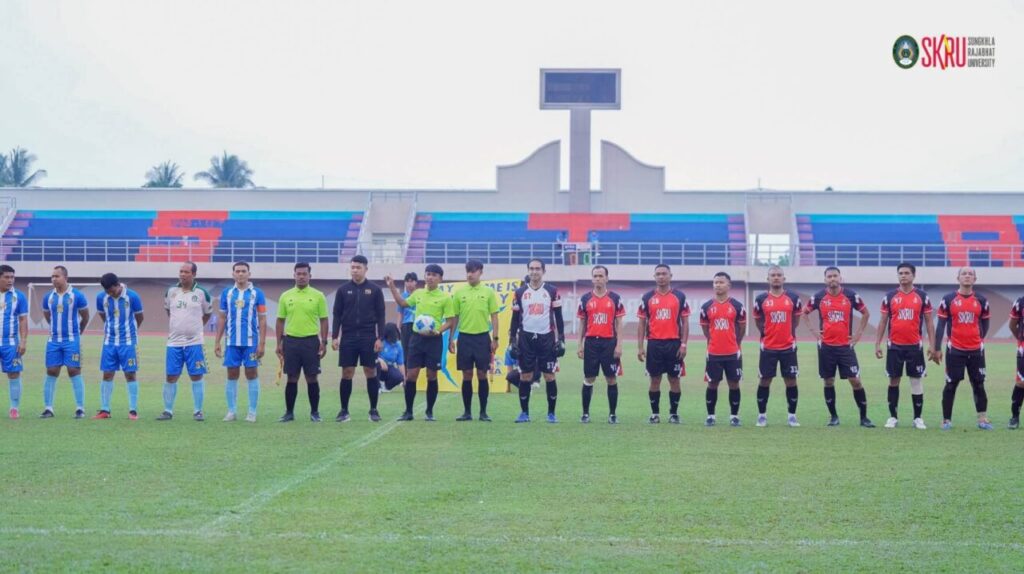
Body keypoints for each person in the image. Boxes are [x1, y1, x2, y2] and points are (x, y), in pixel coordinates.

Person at [804, 266, 874, 428]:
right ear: (825, 280)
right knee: (828, 381)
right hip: (826, 347)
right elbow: (804, 313)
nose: (832, 279)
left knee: (855, 380)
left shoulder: (851, 296)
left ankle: (864, 418)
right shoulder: (818, 297)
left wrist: (858, 334)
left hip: (845, 347)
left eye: (835, 276)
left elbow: (866, 313)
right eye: (829, 276)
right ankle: (834, 417)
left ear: (840, 278)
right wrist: (814, 332)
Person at [387, 264, 454, 421]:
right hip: (416, 339)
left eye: (434, 275)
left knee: (432, 375)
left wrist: (439, 331)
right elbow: (403, 303)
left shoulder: (445, 298)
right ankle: (408, 411)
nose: (430, 277)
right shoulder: (418, 293)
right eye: (428, 274)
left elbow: (450, 321)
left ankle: (429, 412)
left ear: (440, 279)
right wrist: (392, 287)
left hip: (434, 340)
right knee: (411, 375)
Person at [874, 262, 934, 430]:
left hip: (915, 346)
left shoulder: (922, 296)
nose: (903, 275)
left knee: (916, 381)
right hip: (894, 346)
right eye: (900, 273)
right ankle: (893, 417)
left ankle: (918, 418)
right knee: (894, 380)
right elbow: (883, 321)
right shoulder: (889, 296)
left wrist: (932, 344)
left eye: (907, 273)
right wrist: (877, 343)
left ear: (913, 276)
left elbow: (929, 322)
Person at [933, 267, 992, 430]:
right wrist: (937, 348)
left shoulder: (982, 300)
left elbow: (985, 323)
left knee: (978, 384)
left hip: (976, 350)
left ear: (975, 279)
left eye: (970, 274)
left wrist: (978, 338)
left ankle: (982, 419)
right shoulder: (948, 299)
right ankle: (946, 420)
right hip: (955, 350)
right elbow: (941, 325)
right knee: (951, 384)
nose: (967, 276)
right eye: (964, 274)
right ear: (958, 278)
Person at [332, 255, 386, 423]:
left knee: (370, 371)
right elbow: (337, 315)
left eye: (358, 267)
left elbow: (381, 316)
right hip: (348, 337)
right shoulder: (342, 290)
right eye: (353, 267)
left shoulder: (375, 290)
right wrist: (335, 336)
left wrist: (380, 338)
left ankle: (373, 410)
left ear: (365, 269)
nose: (355, 270)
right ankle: (344, 410)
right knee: (347, 372)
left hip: (368, 337)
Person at [509, 259, 564, 423]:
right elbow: (514, 318)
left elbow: (559, 317)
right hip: (526, 338)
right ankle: (524, 413)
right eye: (531, 269)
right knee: (525, 375)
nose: (534, 271)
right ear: (528, 271)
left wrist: (561, 339)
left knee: (549, 375)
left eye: (537, 269)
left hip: (546, 338)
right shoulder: (519, 292)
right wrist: (512, 340)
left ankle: (551, 414)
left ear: (543, 271)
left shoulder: (552, 291)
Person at [157, 262, 213, 422]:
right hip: (174, 342)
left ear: (194, 274)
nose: (182, 274)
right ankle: (168, 410)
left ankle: (198, 411)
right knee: (171, 376)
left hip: (194, 342)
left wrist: (195, 328)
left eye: (186, 272)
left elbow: (207, 314)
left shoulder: (202, 293)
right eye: (181, 271)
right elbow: (169, 311)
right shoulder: (171, 292)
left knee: (196, 375)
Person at [214, 261, 267, 423]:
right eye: (237, 271)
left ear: (249, 274)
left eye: (244, 271)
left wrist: (262, 343)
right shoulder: (227, 293)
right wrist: (217, 341)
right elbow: (222, 317)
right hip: (231, 342)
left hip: (251, 342)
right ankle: (232, 411)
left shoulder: (257, 293)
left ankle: (252, 412)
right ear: (233, 274)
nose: (241, 274)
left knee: (251, 373)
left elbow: (262, 319)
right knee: (232, 374)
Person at [276, 262, 329, 422]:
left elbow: (324, 320)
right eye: (298, 274)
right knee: (291, 377)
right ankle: (289, 413)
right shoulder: (285, 296)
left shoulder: (318, 295)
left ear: (309, 276)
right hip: (291, 341)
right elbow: (280, 320)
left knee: (312, 377)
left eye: (304, 274)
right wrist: (279, 343)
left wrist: (324, 342)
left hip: (311, 342)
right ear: (294, 275)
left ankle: (315, 412)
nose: (301, 276)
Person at [637, 264, 689, 424]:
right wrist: (640, 347)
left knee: (674, 379)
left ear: (670, 276)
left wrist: (684, 344)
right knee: (655, 380)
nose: (661, 276)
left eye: (664, 274)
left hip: (674, 344)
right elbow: (642, 323)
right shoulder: (647, 297)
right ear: (654, 277)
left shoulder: (679, 296)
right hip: (654, 344)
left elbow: (685, 322)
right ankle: (655, 414)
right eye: (658, 274)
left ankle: (673, 414)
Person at [448, 260, 500, 422]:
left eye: (473, 271)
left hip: (482, 338)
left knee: (482, 373)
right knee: (467, 374)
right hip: (464, 338)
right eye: (468, 271)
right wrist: (451, 338)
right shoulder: (459, 293)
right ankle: (467, 412)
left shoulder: (488, 292)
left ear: (480, 272)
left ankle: (483, 412)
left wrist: (495, 338)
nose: (470, 274)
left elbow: (494, 316)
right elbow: (455, 318)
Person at [752, 265, 803, 428]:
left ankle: (792, 416)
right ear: (768, 279)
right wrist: (766, 333)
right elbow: (758, 321)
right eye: (773, 275)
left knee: (791, 380)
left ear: (784, 278)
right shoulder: (760, 299)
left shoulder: (793, 298)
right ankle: (762, 415)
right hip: (768, 347)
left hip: (788, 347)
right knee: (765, 380)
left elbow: (795, 321)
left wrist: (788, 332)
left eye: (779, 275)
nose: (776, 277)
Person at [40, 266, 90, 419]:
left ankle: (80, 408)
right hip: (54, 341)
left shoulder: (77, 295)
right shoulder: (48, 297)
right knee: (51, 371)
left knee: (74, 370)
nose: (54, 279)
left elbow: (85, 316)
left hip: (71, 340)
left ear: (65, 277)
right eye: (52, 276)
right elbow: (48, 316)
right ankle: (48, 408)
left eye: (57, 276)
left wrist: (79, 332)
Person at [577, 265, 625, 424]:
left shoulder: (615, 298)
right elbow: (582, 323)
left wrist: (619, 345)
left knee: (611, 378)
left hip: (609, 343)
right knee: (589, 378)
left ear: (607, 278)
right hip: (591, 343)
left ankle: (612, 414)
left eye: (601, 276)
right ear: (592, 279)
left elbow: (619, 323)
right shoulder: (585, 299)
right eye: (595, 276)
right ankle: (585, 414)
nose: (598, 279)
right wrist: (579, 344)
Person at [94, 273, 144, 420]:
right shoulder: (101, 298)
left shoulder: (132, 297)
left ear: (118, 285)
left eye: (112, 290)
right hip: (109, 342)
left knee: (130, 374)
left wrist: (129, 332)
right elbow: (104, 317)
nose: (110, 293)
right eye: (107, 291)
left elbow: (140, 318)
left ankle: (133, 410)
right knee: (107, 374)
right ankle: (105, 410)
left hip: (128, 342)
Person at [699, 272, 746, 427]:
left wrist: (735, 342)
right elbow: (706, 330)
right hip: (713, 353)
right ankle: (711, 416)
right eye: (715, 282)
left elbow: (742, 328)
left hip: (733, 353)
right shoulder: (706, 307)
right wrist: (713, 340)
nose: (718, 285)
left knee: (734, 384)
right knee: (712, 384)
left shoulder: (737, 306)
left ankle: (734, 416)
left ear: (729, 285)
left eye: (721, 282)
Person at [0, 265, 28, 419]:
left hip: (10, 342)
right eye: (6, 277)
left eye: (12, 277)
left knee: (14, 373)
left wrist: (23, 341)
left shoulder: (19, 296)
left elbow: (23, 319)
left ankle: (14, 408)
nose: (10, 280)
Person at [1009, 295, 1024, 429]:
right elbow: (1012, 325)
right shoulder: (1020, 302)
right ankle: (1014, 417)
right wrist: (1020, 340)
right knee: (1021, 382)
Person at [377, 323, 406, 392]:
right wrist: (380, 360)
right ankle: (377, 385)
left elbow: (400, 364)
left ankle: (386, 387)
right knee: (379, 366)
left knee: (399, 377)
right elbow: (372, 355)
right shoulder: (381, 342)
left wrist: (404, 379)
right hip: (379, 365)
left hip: (390, 367)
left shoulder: (398, 345)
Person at [399, 272, 419, 357]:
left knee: (416, 348)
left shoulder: (420, 295)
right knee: (405, 349)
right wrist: (399, 327)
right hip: (406, 325)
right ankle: (406, 365)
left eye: (412, 281)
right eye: (407, 281)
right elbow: (400, 313)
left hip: (418, 325)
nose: (409, 283)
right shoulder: (402, 296)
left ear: (416, 282)